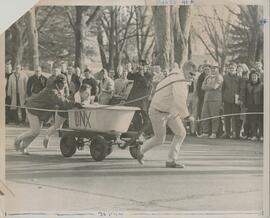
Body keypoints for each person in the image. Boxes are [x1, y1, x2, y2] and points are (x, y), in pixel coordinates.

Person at [136, 61, 196, 168]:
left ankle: (171, 160)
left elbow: (176, 101)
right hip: (158, 111)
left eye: (194, 75)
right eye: (191, 74)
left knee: (181, 133)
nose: (192, 77)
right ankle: (140, 151)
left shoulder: (179, 77)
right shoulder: (179, 79)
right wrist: (187, 116)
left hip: (170, 111)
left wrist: (181, 114)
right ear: (185, 70)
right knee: (159, 139)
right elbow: (179, 100)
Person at [14, 74, 81, 154]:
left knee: (36, 131)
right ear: (58, 83)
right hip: (33, 109)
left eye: (65, 83)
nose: (65, 85)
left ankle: (23, 147)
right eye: (63, 83)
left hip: (39, 111)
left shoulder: (55, 89)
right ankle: (18, 139)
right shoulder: (52, 91)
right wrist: (75, 104)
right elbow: (62, 102)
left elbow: (62, 99)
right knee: (35, 130)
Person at [43, 83, 91, 148]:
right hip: (63, 111)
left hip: (71, 112)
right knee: (57, 126)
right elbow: (77, 107)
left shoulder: (86, 96)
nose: (88, 95)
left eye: (89, 93)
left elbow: (85, 105)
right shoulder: (76, 96)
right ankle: (47, 136)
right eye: (86, 93)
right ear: (80, 92)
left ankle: (79, 141)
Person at [198, 65, 223, 139]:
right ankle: (205, 132)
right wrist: (209, 85)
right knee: (204, 115)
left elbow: (214, 87)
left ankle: (214, 132)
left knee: (214, 116)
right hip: (207, 99)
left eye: (215, 68)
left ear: (218, 69)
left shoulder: (219, 77)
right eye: (212, 68)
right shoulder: (208, 77)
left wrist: (208, 85)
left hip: (215, 99)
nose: (213, 69)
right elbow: (202, 87)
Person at [221, 62, 241, 139]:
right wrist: (222, 99)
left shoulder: (239, 78)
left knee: (235, 117)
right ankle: (227, 133)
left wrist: (240, 98)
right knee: (227, 117)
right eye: (230, 68)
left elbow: (241, 89)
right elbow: (222, 89)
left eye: (233, 68)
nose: (232, 69)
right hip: (227, 100)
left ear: (236, 68)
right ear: (228, 69)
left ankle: (235, 133)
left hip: (236, 100)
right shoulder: (225, 77)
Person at [244, 69, 263, 141]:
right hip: (250, 105)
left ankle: (261, 135)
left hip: (259, 105)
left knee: (260, 120)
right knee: (252, 120)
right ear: (250, 77)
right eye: (252, 76)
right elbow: (246, 95)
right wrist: (246, 105)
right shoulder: (248, 85)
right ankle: (254, 135)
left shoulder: (262, 85)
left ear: (258, 77)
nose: (254, 78)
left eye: (255, 76)